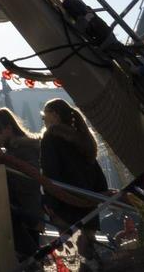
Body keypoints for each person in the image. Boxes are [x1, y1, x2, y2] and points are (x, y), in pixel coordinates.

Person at [40, 98, 108, 260]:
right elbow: (97, 174)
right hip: (89, 204)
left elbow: (51, 173)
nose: (43, 120)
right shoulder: (83, 139)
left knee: (74, 256)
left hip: (65, 204)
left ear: (55, 115)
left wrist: (50, 204)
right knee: (89, 253)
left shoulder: (51, 138)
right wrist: (98, 196)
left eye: (45, 115)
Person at [0, 109, 44, 261]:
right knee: (25, 256)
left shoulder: (24, 149)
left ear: (8, 128)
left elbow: (30, 180)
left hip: (24, 210)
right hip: (10, 211)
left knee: (29, 256)